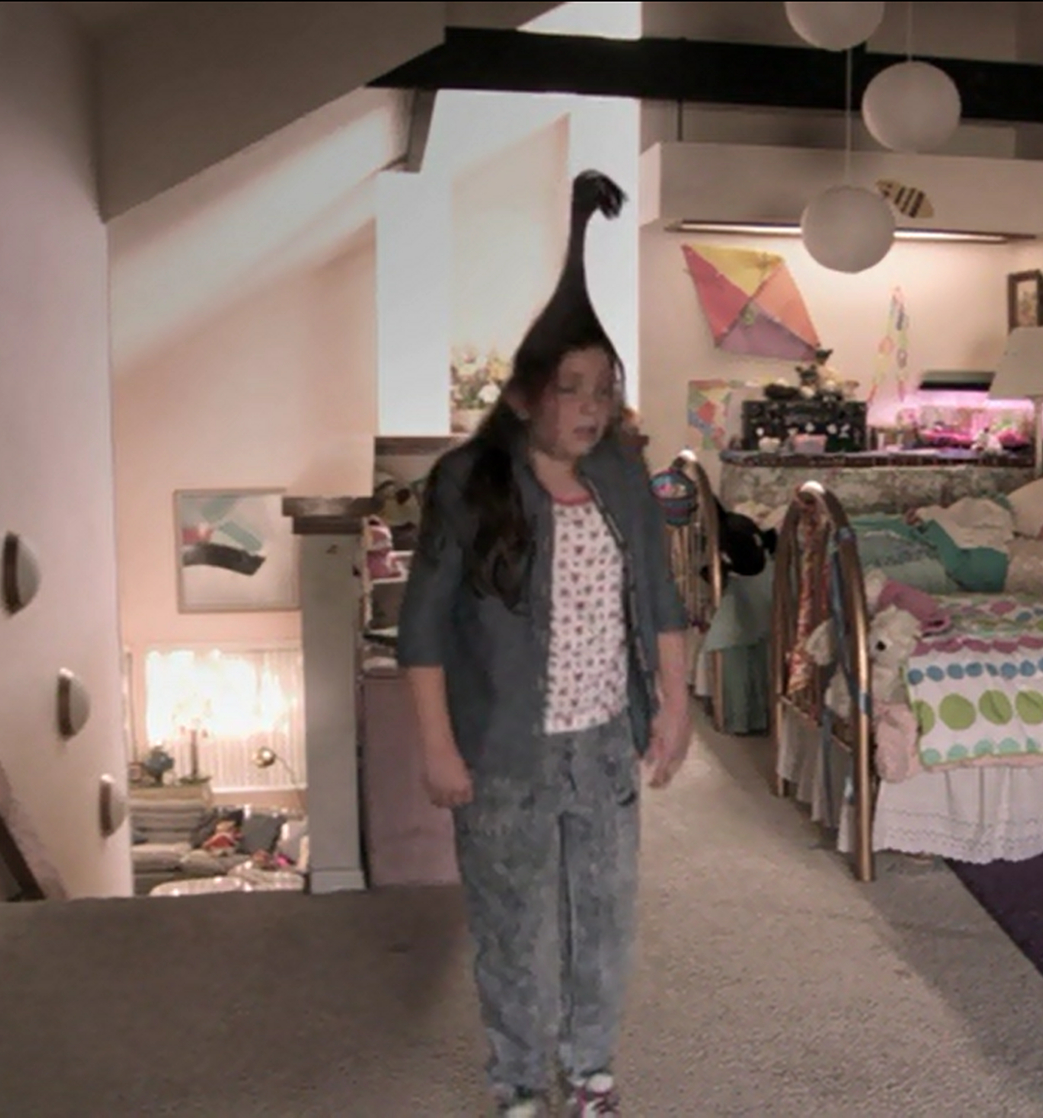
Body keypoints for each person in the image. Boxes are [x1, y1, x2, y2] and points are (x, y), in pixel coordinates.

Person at [395, 169, 690, 1118]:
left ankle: (591, 1072)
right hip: (502, 752)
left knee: (603, 920)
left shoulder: (622, 472)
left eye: (604, 389)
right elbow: (421, 626)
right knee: (513, 927)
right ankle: (521, 1083)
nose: (592, 408)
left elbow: (662, 599)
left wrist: (674, 707)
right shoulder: (466, 481)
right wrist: (438, 749)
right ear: (526, 396)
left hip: (602, 743)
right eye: (572, 390)